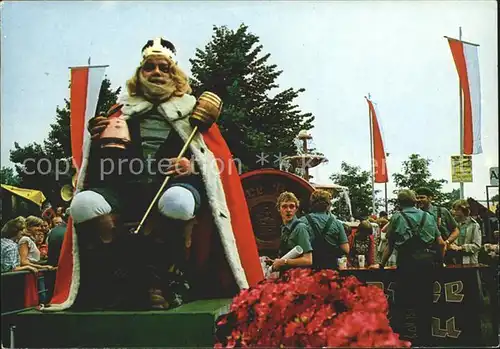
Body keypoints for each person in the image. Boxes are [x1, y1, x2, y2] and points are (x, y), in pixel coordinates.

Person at [49, 37, 262, 311]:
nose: (157, 73)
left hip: (174, 187)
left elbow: (216, 164)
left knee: (178, 202)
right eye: (150, 67)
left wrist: (192, 167)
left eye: (164, 67)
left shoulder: (191, 112)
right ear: (140, 74)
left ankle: (161, 282)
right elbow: (101, 168)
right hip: (125, 190)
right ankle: (118, 280)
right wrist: (97, 138)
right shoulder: (121, 112)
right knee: (82, 205)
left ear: (175, 74)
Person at [379, 189, 445, 346]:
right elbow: (441, 243)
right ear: (415, 201)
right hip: (427, 264)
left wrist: (381, 264)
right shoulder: (428, 216)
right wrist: (440, 261)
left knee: (404, 302)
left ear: (399, 203)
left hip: (406, 264)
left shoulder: (396, 217)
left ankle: (406, 339)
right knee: (425, 302)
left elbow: (390, 245)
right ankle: (426, 340)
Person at [302, 189, 349, 270]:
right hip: (330, 270)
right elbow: (346, 249)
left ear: (311, 204)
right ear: (328, 205)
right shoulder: (337, 223)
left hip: (308, 270)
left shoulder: (302, 221)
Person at [271, 191, 313, 272]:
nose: (288, 210)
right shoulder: (284, 228)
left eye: (291, 206)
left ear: (296, 209)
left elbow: (308, 260)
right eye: (284, 207)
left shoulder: (300, 228)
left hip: (298, 277)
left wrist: (284, 262)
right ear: (278, 209)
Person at [448, 199, 481, 264]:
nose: (454, 212)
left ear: (464, 210)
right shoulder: (452, 224)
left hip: (468, 262)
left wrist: (461, 248)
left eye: (457, 210)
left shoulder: (474, 225)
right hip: (453, 260)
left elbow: (477, 246)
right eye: (453, 209)